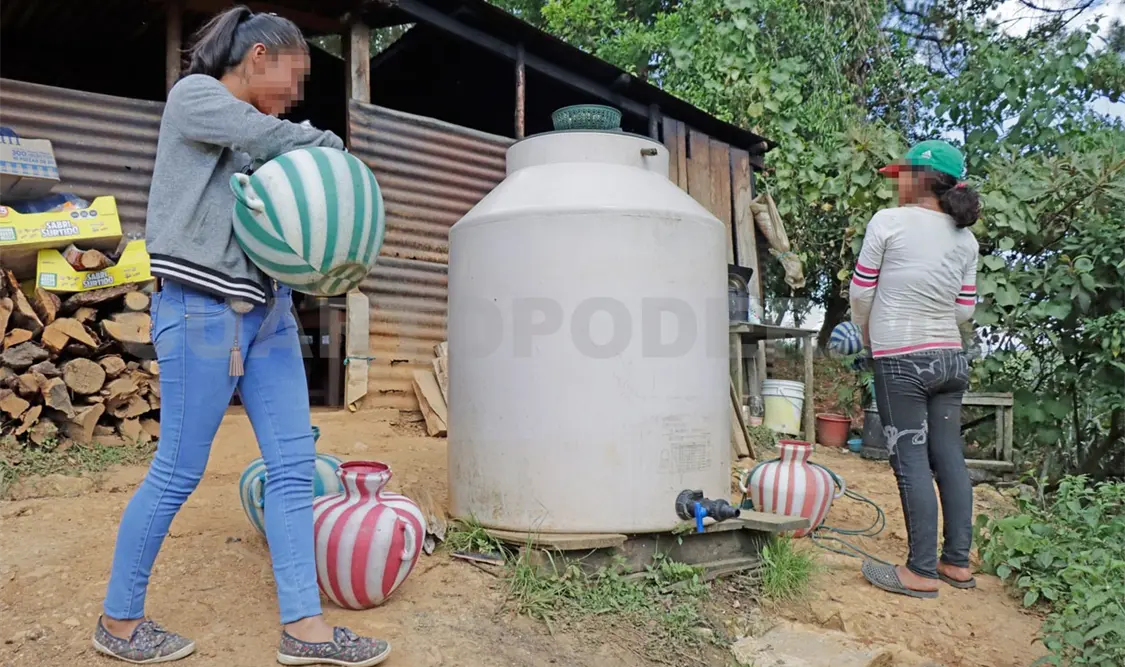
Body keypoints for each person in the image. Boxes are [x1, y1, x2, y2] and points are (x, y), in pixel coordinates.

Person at [92, 7, 392, 666]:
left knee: (291, 469)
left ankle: (304, 631)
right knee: (176, 471)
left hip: (269, 314)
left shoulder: (262, 137)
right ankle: (118, 620)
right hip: (201, 312)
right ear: (258, 56)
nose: (297, 91)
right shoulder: (198, 98)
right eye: (294, 73)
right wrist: (331, 146)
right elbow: (281, 141)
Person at [848, 140, 981, 599]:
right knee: (948, 458)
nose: (897, 183)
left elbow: (862, 291)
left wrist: (866, 331)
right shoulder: (966, 239)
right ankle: (956, 564)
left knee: (910, 462)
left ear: (920, 179)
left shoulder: (888, 222)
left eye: (902, 175)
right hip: (950, 358)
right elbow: (964, 309)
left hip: (902, 358)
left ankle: (921, 572)